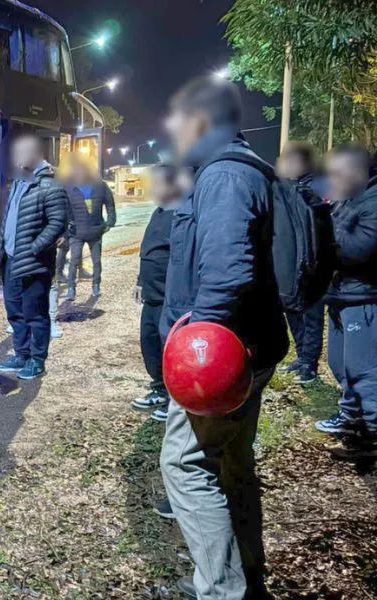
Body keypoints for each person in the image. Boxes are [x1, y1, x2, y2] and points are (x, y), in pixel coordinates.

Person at [159, 77, 288, 599]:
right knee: (233, 461)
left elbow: (227, 272)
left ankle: (221, 591)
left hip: (221, 361)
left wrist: (195, 348)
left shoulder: (225, 178)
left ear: (201, 123)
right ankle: (246, 573)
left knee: (186, 465)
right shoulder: (247, 171)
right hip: (249, 347)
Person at [315, 144, 377, 460]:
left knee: (364, 373)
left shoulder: (373, 201)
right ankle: (353, 422)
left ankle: (369, 438)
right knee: (340, 366)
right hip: (341, 296)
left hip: (363, 299)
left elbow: (356, 249)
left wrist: (323, 235)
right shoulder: (348, 200)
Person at [0, 133, 69, 380]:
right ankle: (21, 355)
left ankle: (37, 360)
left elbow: (58, 222)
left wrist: (36, 247)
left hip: (34, 262)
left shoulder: (50, 183)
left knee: (35, 313)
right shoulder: (19, 181)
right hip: (11, 260)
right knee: (14, 311)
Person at [276, 141, 327, 384]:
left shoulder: (320, 186)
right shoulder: (292, 187)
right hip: (294, 262)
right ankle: (301, 356)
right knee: (293, 310)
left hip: (315, 264)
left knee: (311, 315)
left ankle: (310, 365)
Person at [132, 164, 181, 419]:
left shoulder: (182, 214)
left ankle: (175, 399)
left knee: (169, 349)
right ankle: (159, 389)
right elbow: (150, 249)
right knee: (149, 343)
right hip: (152, 294)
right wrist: (141, 280)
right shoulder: (160, 212)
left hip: (169, 297)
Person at [63, 155, 116, 300]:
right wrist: (67, 226)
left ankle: (96, 286)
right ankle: (71, 289)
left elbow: (110, 204)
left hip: (95, 231)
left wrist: (110, 223)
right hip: (76, 232)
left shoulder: (100, 186)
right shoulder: (69, 187)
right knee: (74, 261)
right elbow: (64, 208)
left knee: (96, 261)